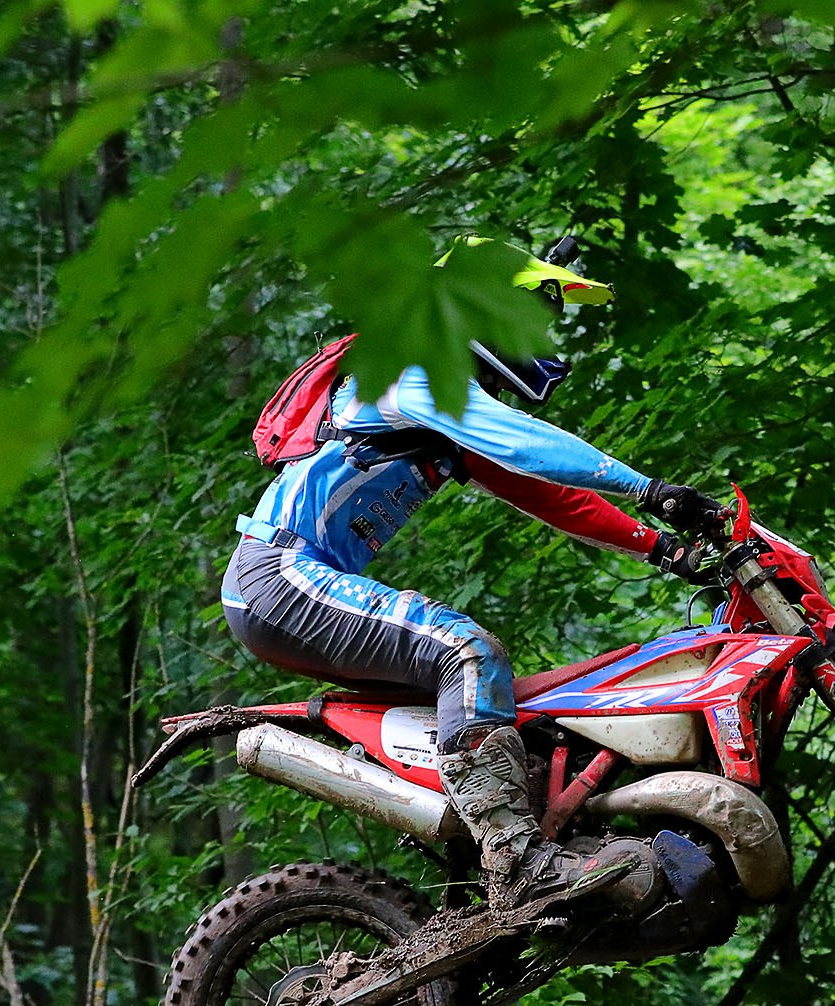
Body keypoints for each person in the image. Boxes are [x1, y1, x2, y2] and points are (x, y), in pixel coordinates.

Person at [224, 235, 728, 910]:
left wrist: (660, 548)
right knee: (466, 650)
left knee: (503, 701)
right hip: (280, 575)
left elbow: (546, 490)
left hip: (288, 587)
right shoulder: (409, 375)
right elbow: (524, 443)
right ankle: (516, 862)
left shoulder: (440, 406)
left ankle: (494, 854)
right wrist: (648, 486)